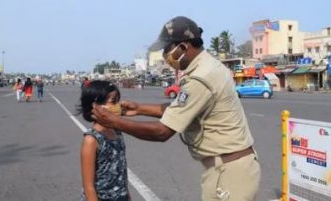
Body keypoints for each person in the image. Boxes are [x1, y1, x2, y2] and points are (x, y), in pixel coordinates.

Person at [92, 16, 261, 201]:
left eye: (167, 49)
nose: (165, 55)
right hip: (229, 167)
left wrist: (114, 121)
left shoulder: (200, 78)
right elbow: (181, 108)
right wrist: (139, 109)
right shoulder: (207, 66)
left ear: (183, 47)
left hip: (230, 172)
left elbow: (162, 132)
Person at [77, 80, 131, 201]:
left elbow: (121, 171)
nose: (118, 105)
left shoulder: (117, 132)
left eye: (118, 100)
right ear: (96, 106)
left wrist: (127, 196)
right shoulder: (91, 140)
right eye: (113, 101)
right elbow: (88, 186)